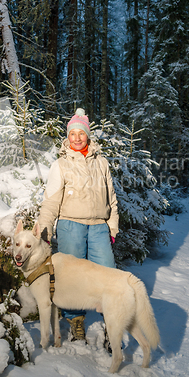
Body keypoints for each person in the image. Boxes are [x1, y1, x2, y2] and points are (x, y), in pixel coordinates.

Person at [38, 108, 119, 341]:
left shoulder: (101, 163)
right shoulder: (60, 165)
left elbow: (111, 199)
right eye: (72, 133)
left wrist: (112, 227)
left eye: (80, 133)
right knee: (71, 277)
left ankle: (111, 324)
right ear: (67, 136)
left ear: (87, 135)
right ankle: (76, 322)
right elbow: (50, 203)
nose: (76, 138)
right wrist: (45, 232)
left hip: (98, 227)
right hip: (70, 226)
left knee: (107, 274)